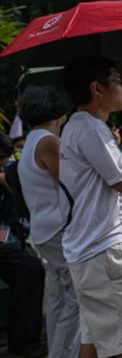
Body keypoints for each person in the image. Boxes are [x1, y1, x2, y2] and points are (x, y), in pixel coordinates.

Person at [60, 56, 122, 358]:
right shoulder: (89, 129)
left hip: (90, 251)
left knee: (93, 344)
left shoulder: (80, 127)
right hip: (108, 251)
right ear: (96, 88)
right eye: (117, 79)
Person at [17, 86, 80, 358]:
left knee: (56, 299)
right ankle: (63, 353)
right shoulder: (48, 142)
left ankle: (56, 349)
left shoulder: (32, 139)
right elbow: (71, 183)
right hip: (58, 229)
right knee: (75, 300)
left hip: (43, 229)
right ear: (58, 113)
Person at [0, 133, 47, 358]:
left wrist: (7, 184)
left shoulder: (8, 172)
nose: (2, 164)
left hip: (7, 240)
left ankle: (25, 341)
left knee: (32, 267)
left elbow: (23, 205)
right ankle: (24, 342)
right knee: (30, 268)